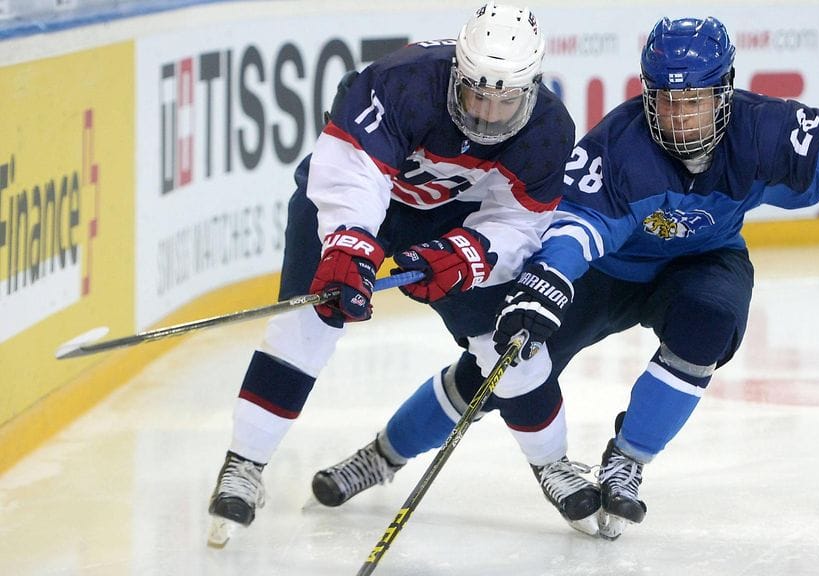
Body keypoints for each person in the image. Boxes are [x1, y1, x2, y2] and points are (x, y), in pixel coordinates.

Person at [318, 14, 819, 541]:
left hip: (702, 264)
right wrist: (545, 285)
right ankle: (383, 455)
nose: (680, 117)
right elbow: (575, 231)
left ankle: (627, 462)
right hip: (603, 272)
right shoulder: (615, 147)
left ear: (725, 93)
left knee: (709, 325)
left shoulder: (763, 128)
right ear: (647, 94)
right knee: (502, 368)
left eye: (694, 100)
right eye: (667, 100)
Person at [205, 3, 595, 547]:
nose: (486, 112)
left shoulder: (549, 131)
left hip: (454, 222)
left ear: (529, 90)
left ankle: (554, 465)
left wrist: (466, 255)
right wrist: (348, 244)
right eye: (476, 93)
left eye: (504, 99)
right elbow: (351, 173)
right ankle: (243, 464)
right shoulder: (399, 82)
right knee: (307, 325)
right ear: (458, 72)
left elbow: (519, 223)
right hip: (367, 204)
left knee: (509, 345)